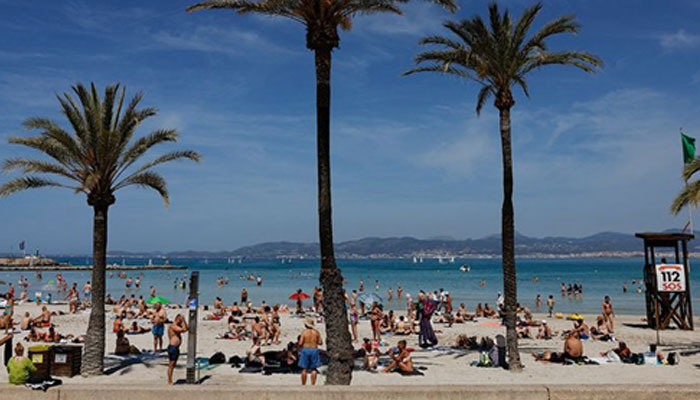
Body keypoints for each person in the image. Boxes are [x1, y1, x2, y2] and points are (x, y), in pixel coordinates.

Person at [298, 316, 322, 385]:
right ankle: (313, 384)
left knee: (304, 369)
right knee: (314, 369)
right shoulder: (316, 332)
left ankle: (303, 384)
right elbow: (320, 342)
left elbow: (300, 343)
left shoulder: (304, 332)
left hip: (306, 349)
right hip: (314, 349)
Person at [167, 314, 188, 385]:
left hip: (176, 348)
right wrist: (184, 321)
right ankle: (169, 380)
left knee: (173, 364)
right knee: (171, 364)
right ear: (177, 319)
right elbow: (183, 330)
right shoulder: (172, 326)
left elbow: (187, 328)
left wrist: (184, 321)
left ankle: (170, 379)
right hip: (172, 347)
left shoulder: (178, 325)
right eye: (180, 320)